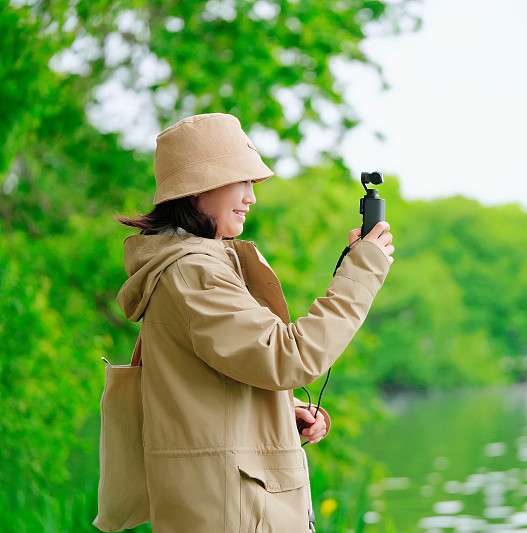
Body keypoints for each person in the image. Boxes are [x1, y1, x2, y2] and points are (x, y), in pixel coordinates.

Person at [115, 113, 394, 532]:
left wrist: (283, 412)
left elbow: (208, 384)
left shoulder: (188, 268)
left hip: (228, 506)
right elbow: (289, 359)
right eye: (242, 182)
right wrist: (362, 273)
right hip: (234, 514)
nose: (252, 197)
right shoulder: (195, 272)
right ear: (198, 190)